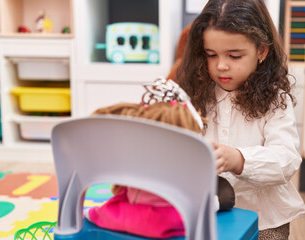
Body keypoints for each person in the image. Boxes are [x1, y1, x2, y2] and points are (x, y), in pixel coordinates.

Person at [176, 0, 305, 239]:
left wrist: (239, 159)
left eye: (234, 56)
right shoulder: (196, 94)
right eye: (211, 55)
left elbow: (286, 160)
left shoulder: (276, 100)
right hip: (208, 214)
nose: (221, 66)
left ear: (261, 51)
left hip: (264, 220)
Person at [84, 78, 235, 239]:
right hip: (168, 217)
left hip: (128, 211)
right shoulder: (181, 163)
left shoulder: (134, 158)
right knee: (222, 192)